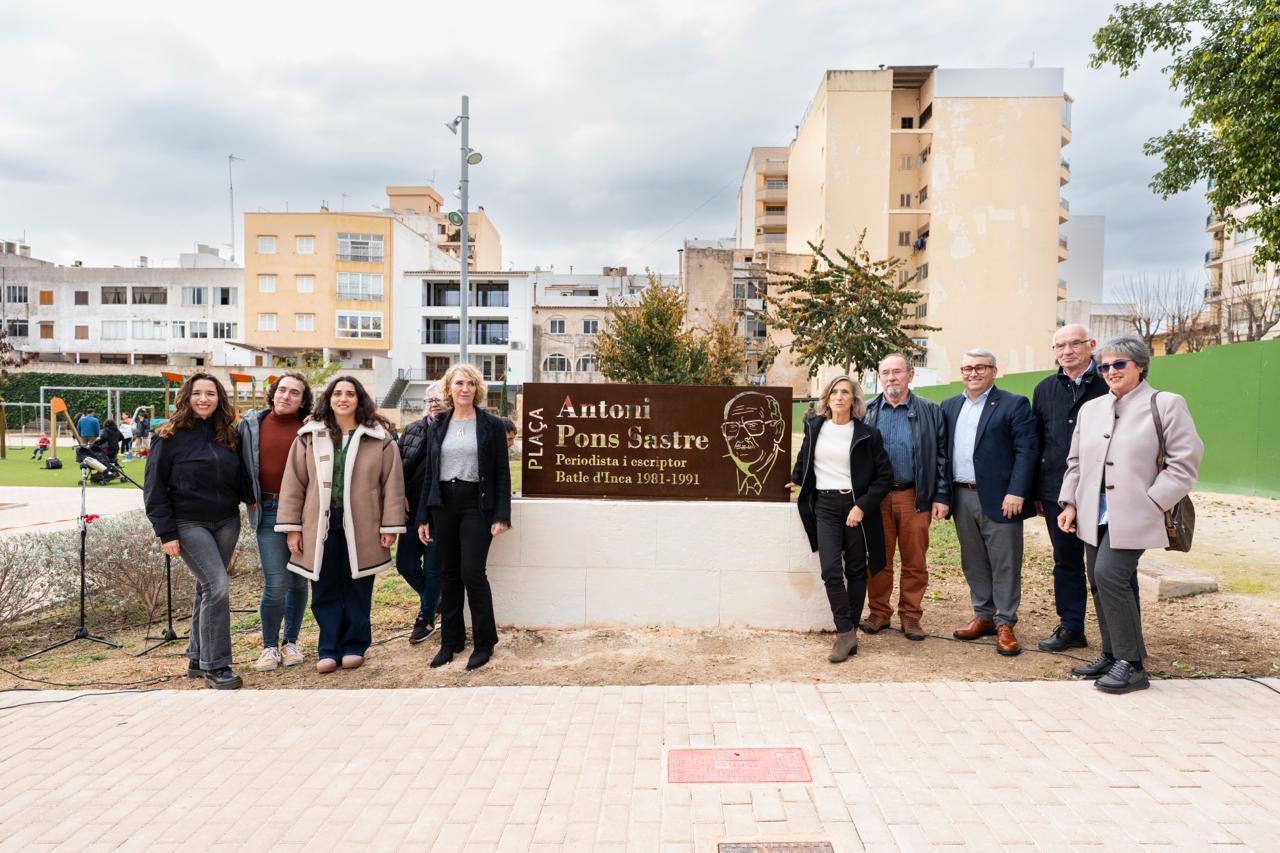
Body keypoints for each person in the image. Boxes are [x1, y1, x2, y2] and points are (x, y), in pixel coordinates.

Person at [1058, 335, 1203, 693]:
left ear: (1140, 365)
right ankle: (1111, 654)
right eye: (1104, 366)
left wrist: (1152, 502)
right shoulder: (1092, 409)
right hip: (1093, 511)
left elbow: (1184, 464)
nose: (1110, 371)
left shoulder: (1165, 404)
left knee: (1110, 574)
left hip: (1136, 512)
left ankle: (1132, 664)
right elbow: (1075, 462)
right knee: (1098, 579)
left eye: (1119, 364)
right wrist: (1070, 503)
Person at [276, 376, 406, 674]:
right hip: (319, 525)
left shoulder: (379, 438)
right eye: (337, 393)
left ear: (360, 400)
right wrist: (293, 528)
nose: (343, 399)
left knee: (358, 587)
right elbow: (294, 484)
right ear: (329, 399)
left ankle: (355, 645)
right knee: (324, 588)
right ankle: (328, 647)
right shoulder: (309, 436)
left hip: (363, 524)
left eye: (350, 394)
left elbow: (392, 486)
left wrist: (389, 527)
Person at [143, 373, 249, 690]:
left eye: (210, 394)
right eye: (197, 393)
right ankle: (217, 666)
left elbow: (242, 477)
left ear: (219, 399)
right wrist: (166, 533)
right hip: (188, 523)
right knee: (217, 585)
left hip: (227, 521)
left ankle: (196, 656)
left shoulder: (229, 434)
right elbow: (154, 490)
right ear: (187, 397)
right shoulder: (167, 436)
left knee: (207, 588)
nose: (204, 399)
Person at [789, 375, 894, 663]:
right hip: (824, 506)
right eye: (834, 392)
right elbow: (804, 460)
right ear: (827, 398)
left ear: (853, 399)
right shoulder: (814, 428)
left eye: (845, 392)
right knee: (831, 570)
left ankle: (848, 635)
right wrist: (795, 479)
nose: (839, 397)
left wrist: (862, 506)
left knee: (857, 570)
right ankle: (846, 630)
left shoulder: (868, 434)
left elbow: (884, 477)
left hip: (854, 507)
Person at [415, 363, 512, 671]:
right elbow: (430, 474)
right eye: (459, 383)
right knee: (449, 574)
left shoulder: (491, 425)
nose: (465, 388)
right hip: (444, 504)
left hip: (476, 505)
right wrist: (423, 516)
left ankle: (484, 643)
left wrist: (501, 515)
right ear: (449, 388)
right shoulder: (438, 425)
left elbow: (502, 472)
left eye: (470, 383)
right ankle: (450, 641)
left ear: (477, 389)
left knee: (472, 573)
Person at [941, 349, 1038, 656]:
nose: (973, 373)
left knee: (1005, 561)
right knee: (973, 560)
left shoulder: (1013, 404)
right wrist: (942, 495)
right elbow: (943, 453)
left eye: (980, 367)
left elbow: (1027, 451)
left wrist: (1017, 491)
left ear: (994, 371)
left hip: (1002, 497)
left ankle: (1005, 621)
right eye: (967, 368)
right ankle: (983, 615)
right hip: (961, 495)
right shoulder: (949, 406)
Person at [861, 353, 950, 641]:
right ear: (879, 377)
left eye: (897, 372)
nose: (891, 378)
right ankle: (879, 612)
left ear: (910, 375)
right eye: (885, 373)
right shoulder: (867, 411)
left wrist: (941, 495)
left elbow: (942, 456)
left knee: (914, 560)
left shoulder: (930, 410)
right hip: (877, 498)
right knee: (879, 559)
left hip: (915, 496)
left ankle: (911, 615)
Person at [1032, 324, 1109, 652]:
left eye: (1074, 343)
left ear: (1091, 344)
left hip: (1103, 493)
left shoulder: (1110, 383)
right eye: (1059, 346)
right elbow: (1037, 442)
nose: (1067, 351)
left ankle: (1118, 637)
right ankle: (1071, 627)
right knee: (1066, 563)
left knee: (1107, 569)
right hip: (1056, 492)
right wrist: (1037, 491)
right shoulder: (1044, 389)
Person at [239, 373, 313, 672]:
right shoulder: (250, 425)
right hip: (268, 509)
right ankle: (269, 646)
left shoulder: (309, 428)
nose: (286, 396)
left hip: (303, 511)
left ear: (302, 401)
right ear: (273, 393)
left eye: (294, 392)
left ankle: (290, 642)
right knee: (277, 582)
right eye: (282, 390)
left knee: (298, 580)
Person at [396, 384, 446, 645]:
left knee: (434, 568)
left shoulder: (455, 430)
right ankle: (438, 602)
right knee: (405, 564)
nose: (434, 404)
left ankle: (425, 618)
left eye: (439, 399)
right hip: (411, 510)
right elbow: (397, 466)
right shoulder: (412, 429)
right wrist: (399, 494)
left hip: (439, 511)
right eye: (430, 400)